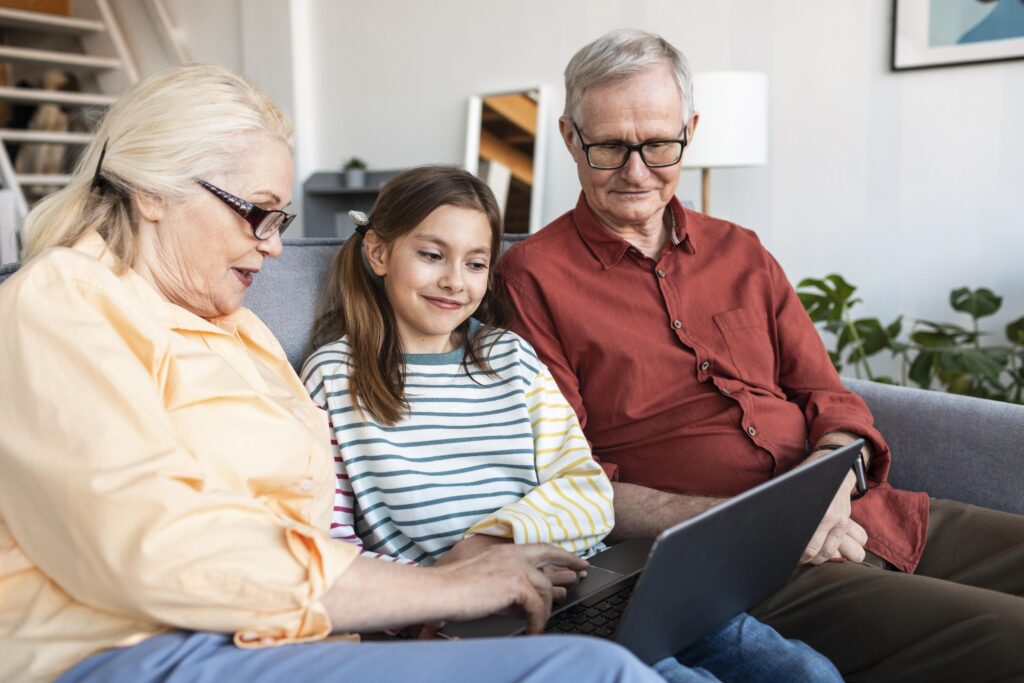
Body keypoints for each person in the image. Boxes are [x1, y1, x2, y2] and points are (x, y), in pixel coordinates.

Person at [0, 64, 661, 683]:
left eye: (280, 218)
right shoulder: (60, 300)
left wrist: (411, 608)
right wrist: (445, 586)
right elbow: (150, 544)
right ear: (151, 190)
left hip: (289, 636)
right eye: (257, 211)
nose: (275, 244)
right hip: (141, 648)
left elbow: (320, 524)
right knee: (595, 671)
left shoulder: (238, 330)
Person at [496, 28, 1024, 682]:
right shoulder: (531, 277)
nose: (635, 171)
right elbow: (570, 477)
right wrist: (755, 524)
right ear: (571, 138)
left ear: (690, 130)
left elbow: (828, 395)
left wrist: (826, 485)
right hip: (731, 569)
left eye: (658, 143)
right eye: (608, 147)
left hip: (866, 509)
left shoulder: (739, 249)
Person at [302, 165, 841, 682]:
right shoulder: (333, 377)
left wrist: (491, 538)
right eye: (430, 255)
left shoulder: (509, 357)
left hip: (589, 579)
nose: (453, 281)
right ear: (377, 252)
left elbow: (588, 492)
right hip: (477, 617)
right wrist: (444, 586)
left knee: (806, 671)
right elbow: (329, 544)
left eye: (475, 263)